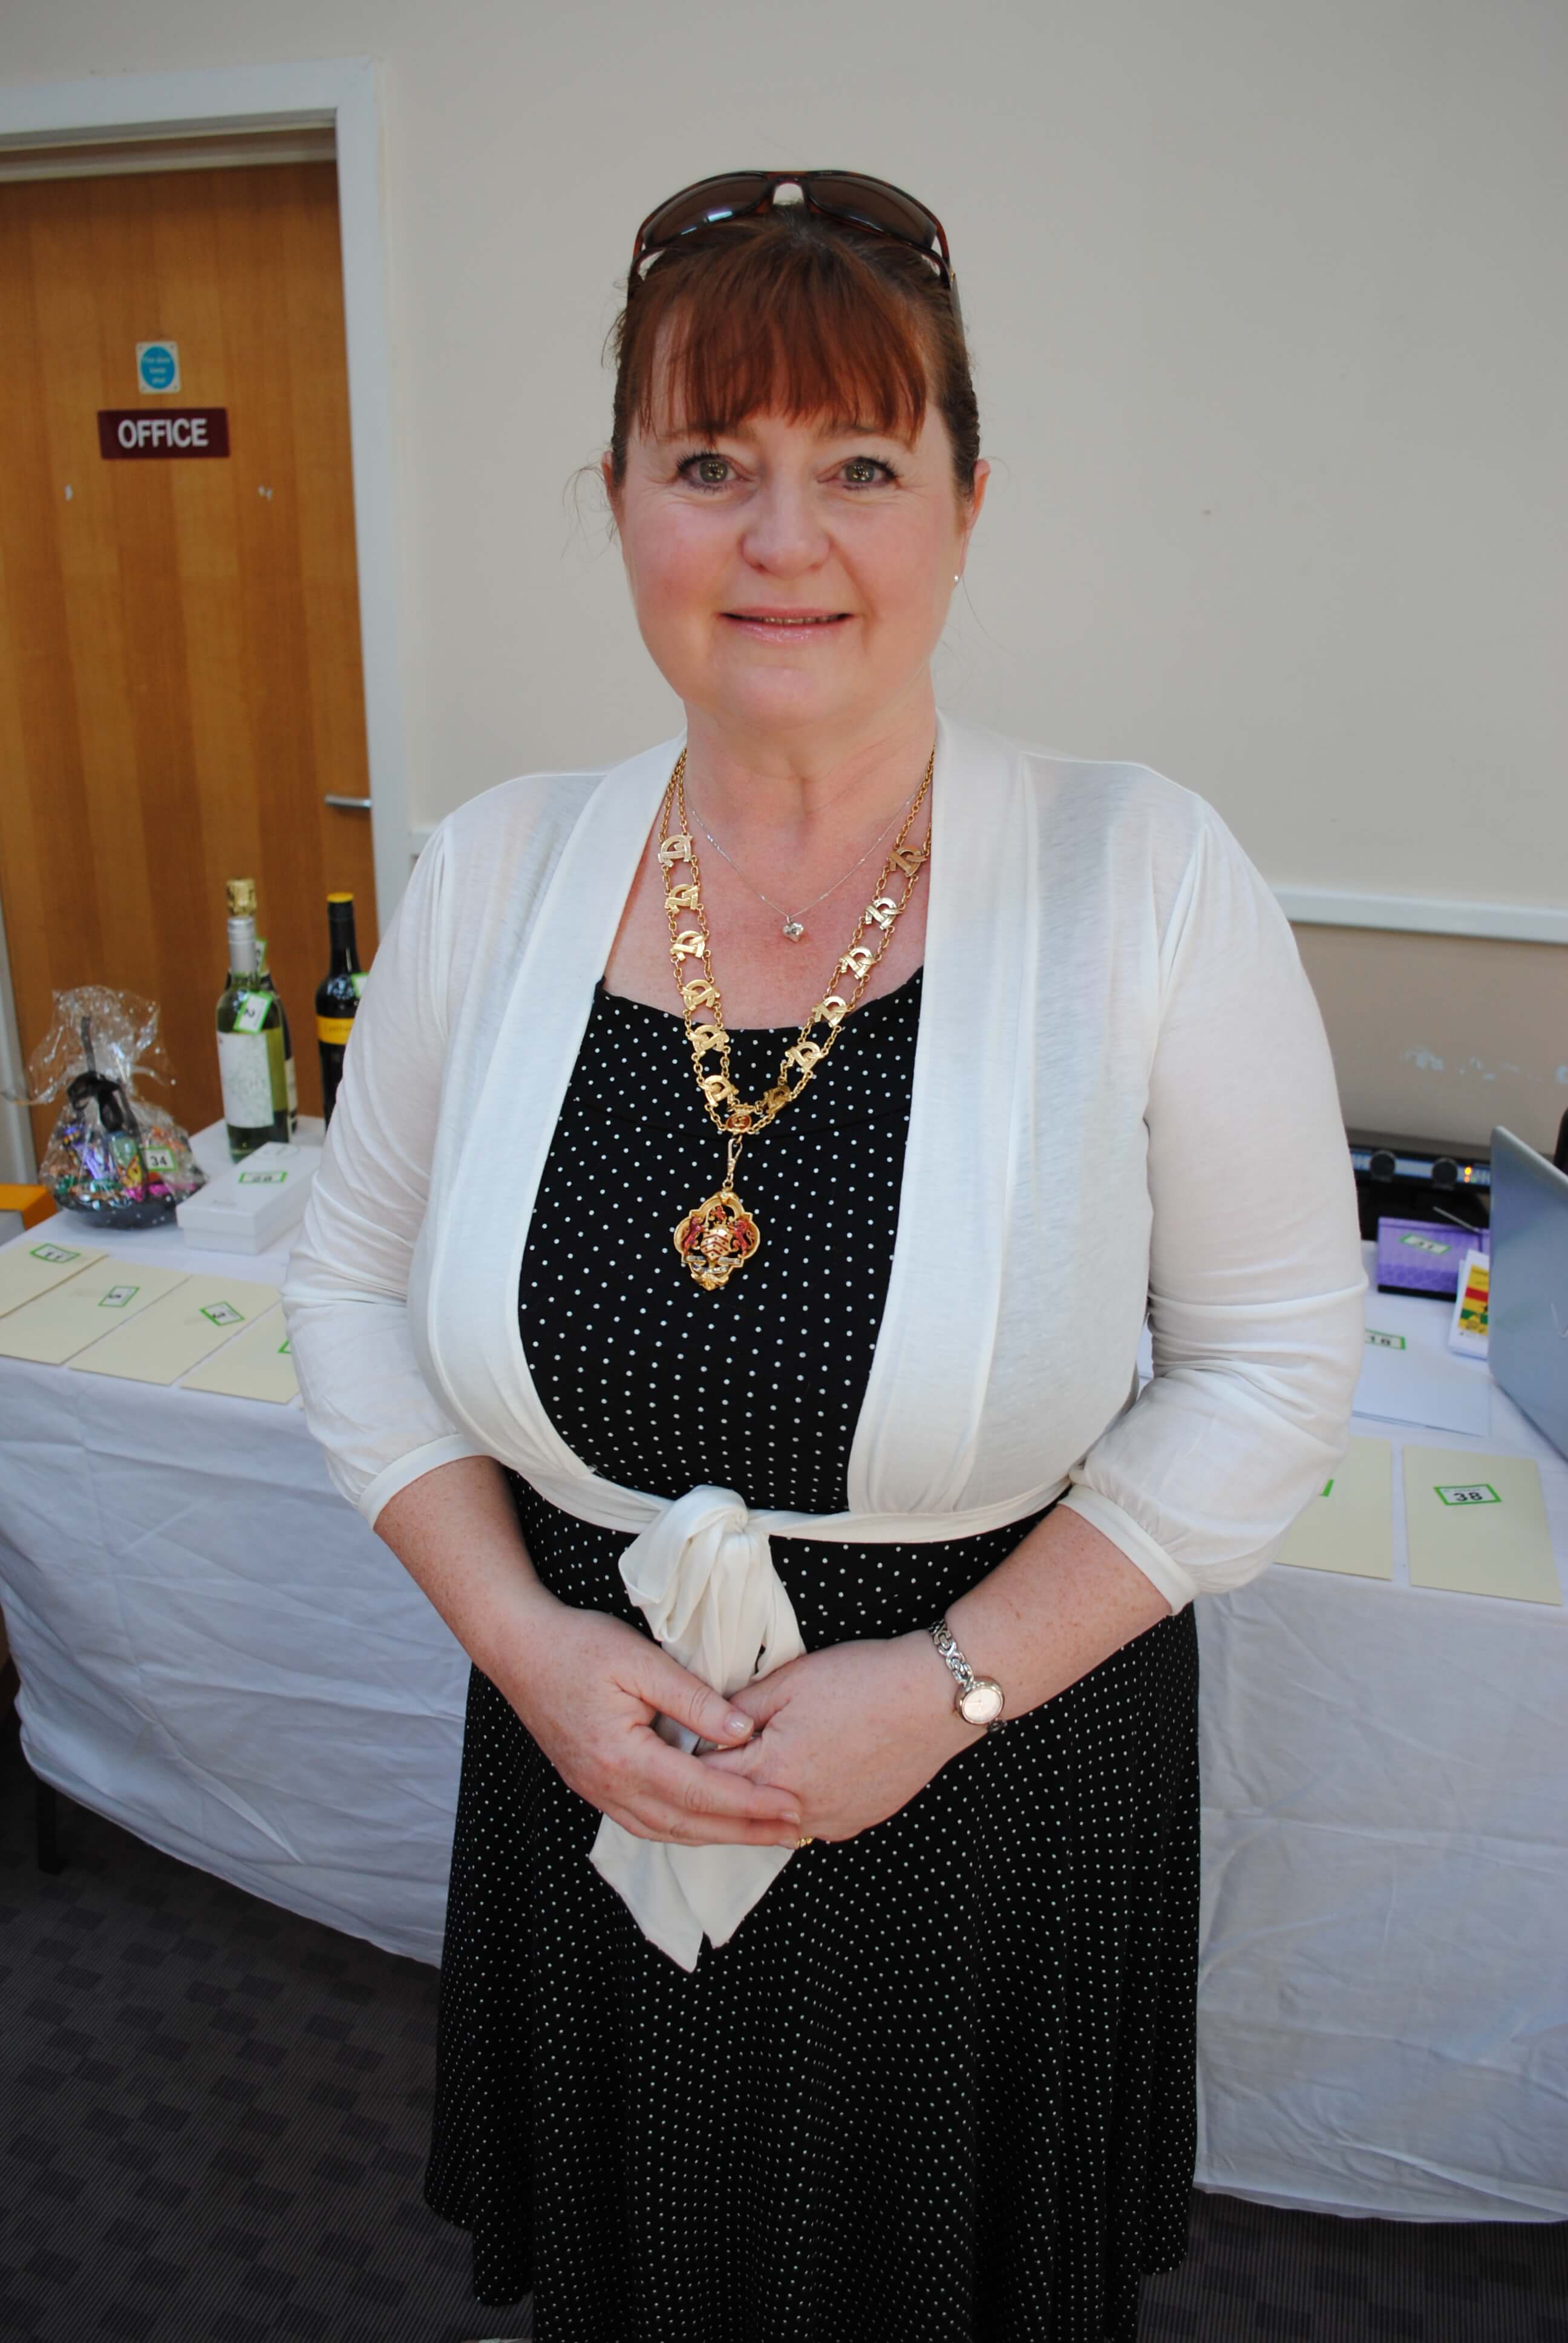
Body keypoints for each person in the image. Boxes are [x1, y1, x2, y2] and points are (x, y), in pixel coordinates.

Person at [280, 169, 1368, 2343]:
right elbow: (345, 1296)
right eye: (710, 464)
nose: (784, 540)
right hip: (589, 1755)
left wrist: (945, 1688)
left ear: (968, 503)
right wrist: (523, 1646)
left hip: (988, 1783)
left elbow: (1269, 1367)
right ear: (617, 501)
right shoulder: (491, 873)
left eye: (862, 465)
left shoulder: (1145, 875)